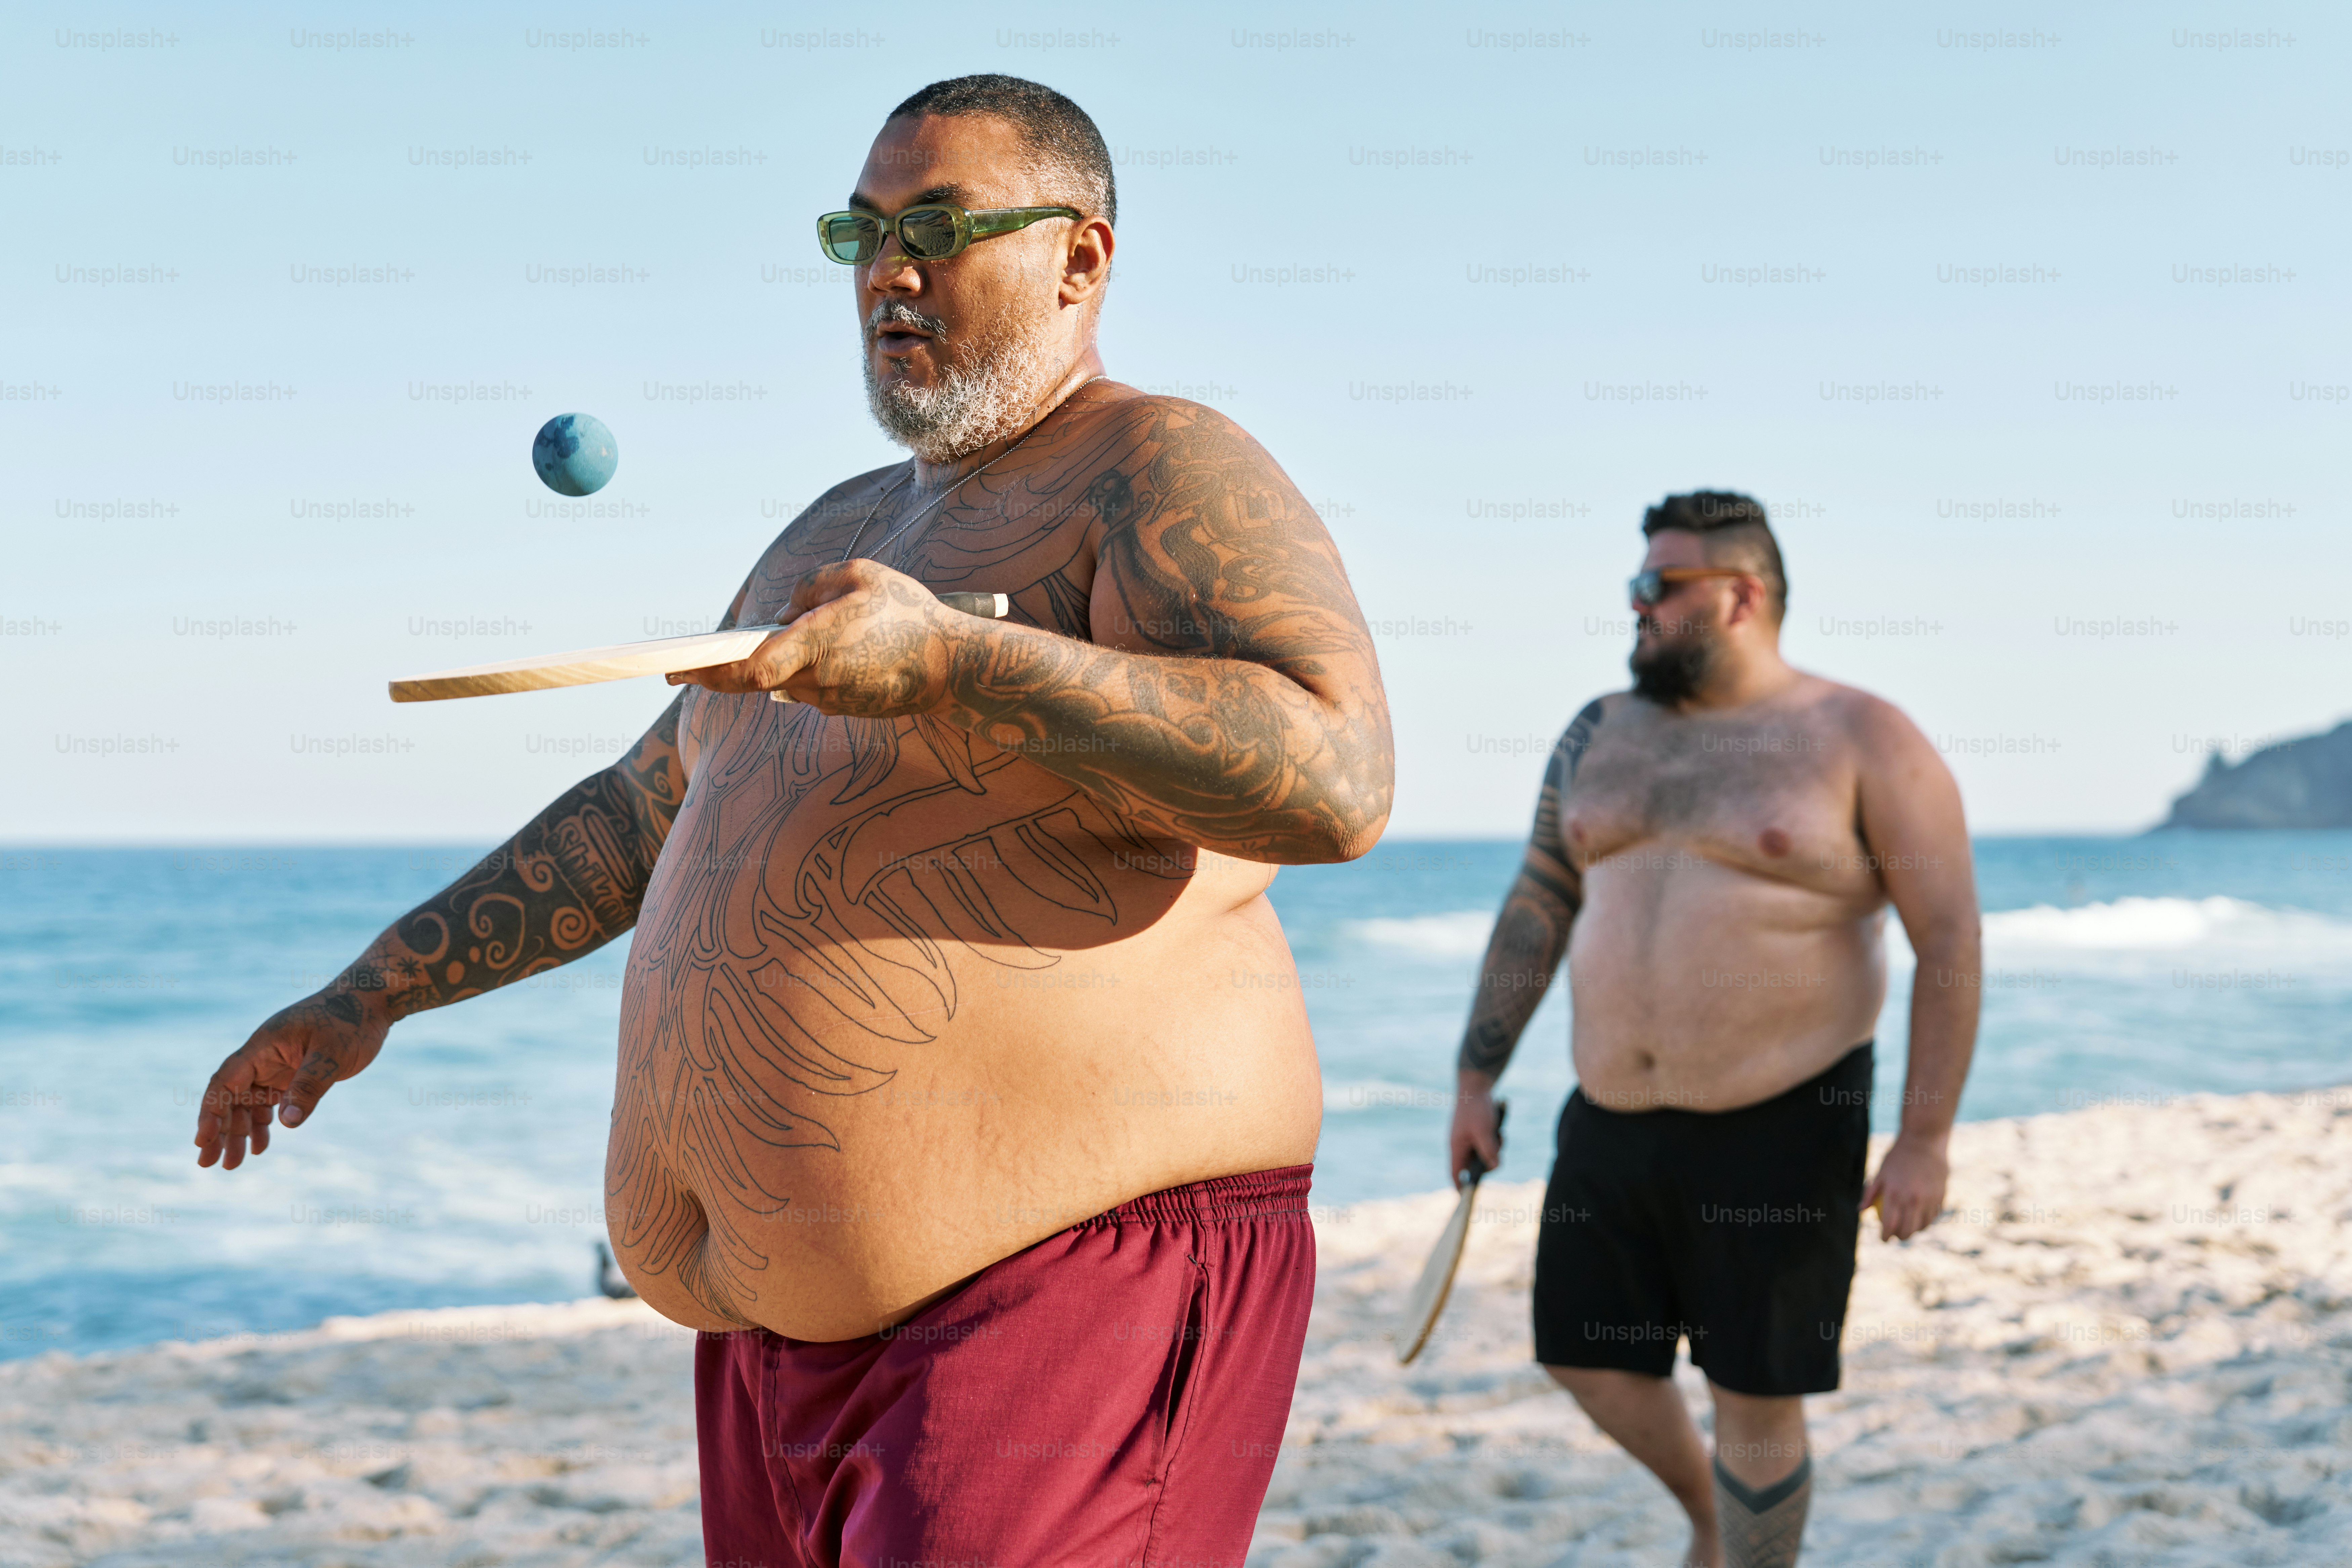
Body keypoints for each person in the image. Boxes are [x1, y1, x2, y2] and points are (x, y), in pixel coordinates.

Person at [196, 74, 1394, 1566]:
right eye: (864, 232)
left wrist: (964, 659)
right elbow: (644, 815)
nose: (889, 275)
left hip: (1064, 1291)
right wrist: (365, 995)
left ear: (1082, 256)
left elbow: (1336, 775)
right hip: (773, 1353)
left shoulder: (1156, 466)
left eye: (941, 229)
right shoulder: (828, 536)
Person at [1446, 493, 1979, 1568]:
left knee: (1756, 1398)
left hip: (1783, 1116)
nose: (1636, 604)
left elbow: (1950, 941)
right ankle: (1712, 1522)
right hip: (1612, 1116)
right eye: (1635, 583)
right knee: (1585, 1355)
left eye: (1661, 585)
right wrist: (1473, 1075)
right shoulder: (1599, 731)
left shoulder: (1861, 734)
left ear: (1742, 596)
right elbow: (1538, 903)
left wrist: (1925, 1138)